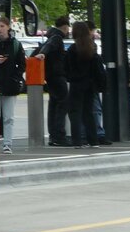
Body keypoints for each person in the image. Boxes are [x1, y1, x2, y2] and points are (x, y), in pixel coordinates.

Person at [66, 20, 103, 148]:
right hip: (90, 85)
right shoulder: (92, 48)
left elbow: (67, 68)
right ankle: (93, 140)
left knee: (74, 112)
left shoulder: (72, 49)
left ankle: (77, 141)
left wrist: (71, 77)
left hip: (76, 84)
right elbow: (97, 68)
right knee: (88, 112)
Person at [37, 15, 71, 146]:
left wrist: (42, 54)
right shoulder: (57, 37)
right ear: (65, 27)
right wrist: (43, 53)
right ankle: (59, 135)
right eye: (68, 28)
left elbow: (47, 47)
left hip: (50, 77)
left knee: (53, 105)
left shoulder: (50, 36)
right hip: (57, 75)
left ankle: (53, 136)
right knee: (63, 104)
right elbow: (49, 47)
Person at [0, 17, 25, 154]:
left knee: (8, 117)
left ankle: (7, 143)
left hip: (9, 84)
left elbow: (22, 64)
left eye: (1, 26)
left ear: (8, 27)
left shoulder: (15, 44)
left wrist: (15, 77)